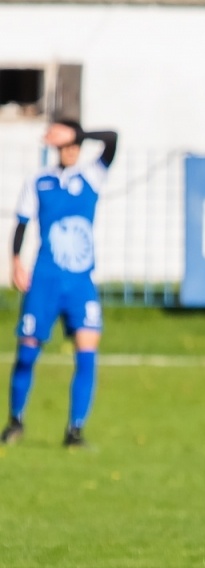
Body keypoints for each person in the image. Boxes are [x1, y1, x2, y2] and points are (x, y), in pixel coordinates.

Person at [6, 120, 117, 447]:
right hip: (45, 280)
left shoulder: (91, 176)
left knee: (87, 351)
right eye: (65, 145)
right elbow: (23, 224)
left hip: (80, 282)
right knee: (27, 352)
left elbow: (112, 140)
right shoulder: (39, 181)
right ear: (56, 149)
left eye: (74, 145)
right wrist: (15, 261)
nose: (70, 151)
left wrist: (77, 133)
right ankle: (15, 421)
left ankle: (75, 430)